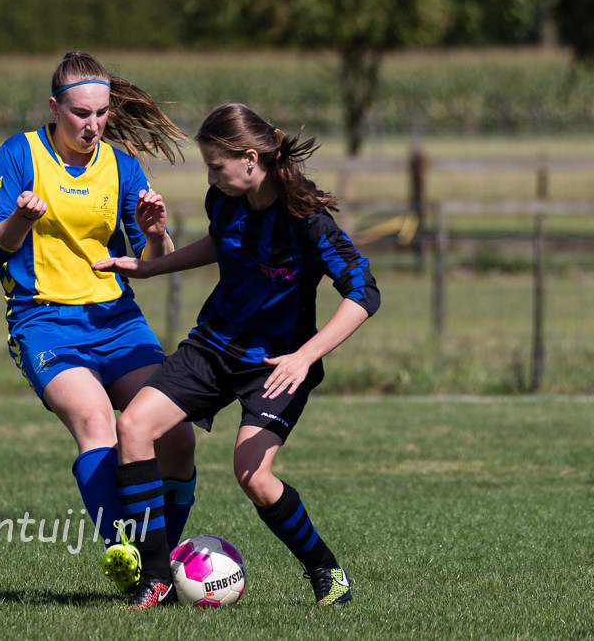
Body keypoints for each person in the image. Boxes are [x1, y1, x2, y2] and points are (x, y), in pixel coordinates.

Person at [92, 102, 381, 609]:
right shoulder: (224, 199)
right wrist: (150, 266)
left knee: (253, 475)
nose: (210, 178)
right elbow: (220, 244)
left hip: (275, 364)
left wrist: (303, 357)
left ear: (250, 159)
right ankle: (155, 580)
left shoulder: (308, 221)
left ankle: (326, 571)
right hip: (212, 347)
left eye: (215, 166)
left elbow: (364, 292)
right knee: (133, 428)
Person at [0, 51, 198, 594]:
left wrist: (155, 234)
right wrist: (19, 219)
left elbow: (152, 262)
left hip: (117, 320)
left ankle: (159, 565)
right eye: (80, 113)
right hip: (44, 321)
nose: (92, 124)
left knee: (177, 436)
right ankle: (129, 556)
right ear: (55, 108)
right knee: (97, 423)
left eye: (101, 113)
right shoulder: (20, 154)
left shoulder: (120, 166)